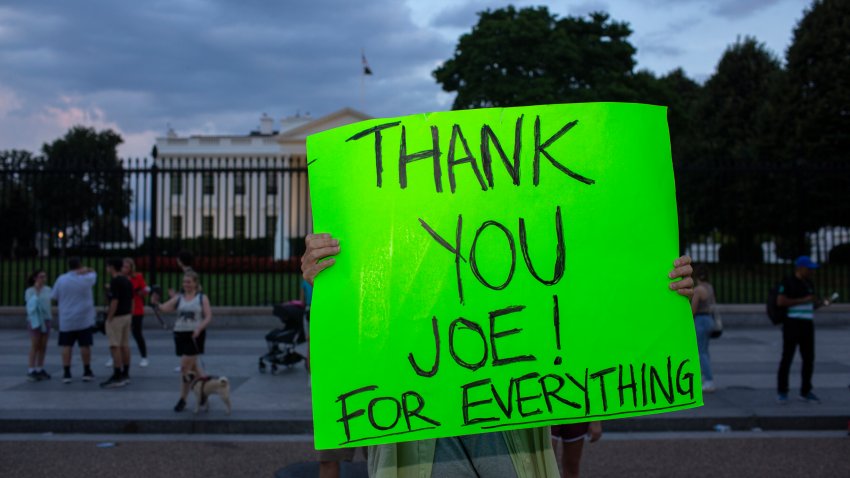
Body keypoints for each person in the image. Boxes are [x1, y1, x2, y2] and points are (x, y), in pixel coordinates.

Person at [302, 233, 694, 478]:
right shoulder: (387, 312)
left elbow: (596, 326)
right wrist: (330, 290)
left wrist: (661, 298)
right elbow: (332, 371)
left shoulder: (526, 304)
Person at [152, 270, 212, 412]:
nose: (186, 285)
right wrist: (155, 303)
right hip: (180, 334)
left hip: (194, 335)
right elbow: (163, 308)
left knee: (185, 368)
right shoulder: (179, 298)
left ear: (196, 283)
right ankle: (205, 391)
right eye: (184, 282)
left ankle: (183, 399)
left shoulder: (202, 298)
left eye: (189, 282)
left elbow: (208, 316)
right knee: (194, 368)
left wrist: (199, 328)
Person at [776, 256, 831, 404]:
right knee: (787, 357)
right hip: (792, 324)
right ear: (800, 268)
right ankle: (782, 391)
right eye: (809, 268)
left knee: (808, 358)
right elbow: (781, 301)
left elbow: (811, 305)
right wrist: (803, 300)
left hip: (807, 324)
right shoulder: (788, 282)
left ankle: (806, 390)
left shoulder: (809, 283)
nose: (811, 271)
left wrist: (822, 303)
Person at [51, 257, 97, 384]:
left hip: (67, 318)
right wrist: (86, 270)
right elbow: (94, 273)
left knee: (66, 346)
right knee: (85, 345)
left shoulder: (61, 279)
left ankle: (66, 372)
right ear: (80, 265)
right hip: (84, 318)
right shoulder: (86, 279)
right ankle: (87, 371)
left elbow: (54, 295)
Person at [101, 258, 134, 389]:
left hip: (117, 317)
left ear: (111, 267)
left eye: (107, 266)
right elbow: (131, 299)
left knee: (115, 346)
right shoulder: (127, 280)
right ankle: (125, 373)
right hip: (127, 315)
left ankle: (117, 374)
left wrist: (109, 318)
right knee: (125, 345)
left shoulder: (115, 281)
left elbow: (114, 301)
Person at [691, 265, 717, 393]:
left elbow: (693, 309)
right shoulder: (709, 287)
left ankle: (708, 380)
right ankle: (705, 377)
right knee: (705, 351)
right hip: (709, 319)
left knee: (701, 352)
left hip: (700, 320)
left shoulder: (698, 289)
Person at [25, 270, 52, 381]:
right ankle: (31, 369)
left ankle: (40, 368)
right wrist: (36, 290)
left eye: (45, 277)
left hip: (46, 319)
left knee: (43, 345)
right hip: (35, 320)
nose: (43, 279)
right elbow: (30, 304)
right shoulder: (30, 291)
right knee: (35, 345)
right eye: (41, 277)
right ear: (35, 278)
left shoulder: (48, 290)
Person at [123, 257, 150, 367]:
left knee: (137, 333)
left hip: (136, 309)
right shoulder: (120, 278)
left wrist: (141, 291)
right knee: (119, 335)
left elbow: (145, 290)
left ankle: (144, 357)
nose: (124, 269)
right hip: (123, 308)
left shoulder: (137, 277)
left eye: (127, 267)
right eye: (123, 266)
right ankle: (115, 356)